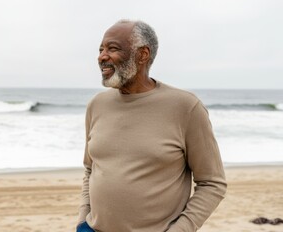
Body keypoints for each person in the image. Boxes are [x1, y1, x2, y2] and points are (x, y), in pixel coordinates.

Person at [77, 19, 227, 232]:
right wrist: (83, 220)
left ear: (142, 54)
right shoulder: (97, 105)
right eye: (101, 49)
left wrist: (180, 229)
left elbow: (212, 183)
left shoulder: (186, 107)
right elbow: (90, 169)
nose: (102, 56)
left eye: (112, 48)